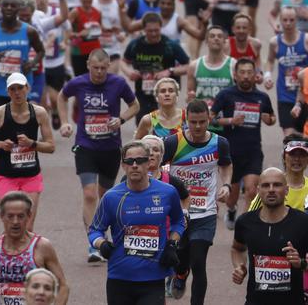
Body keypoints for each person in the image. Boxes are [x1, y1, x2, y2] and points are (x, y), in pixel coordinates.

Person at [57, 48, 139, 262]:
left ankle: (104, 233)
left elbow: (135, 105)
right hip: (85, 145)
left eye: (103, 68)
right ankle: (94, 242)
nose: (100, 72)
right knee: (89, 194)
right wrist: (65, 121)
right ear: (88, 65)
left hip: (110, 147)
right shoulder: (78, 83)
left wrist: (120, 119)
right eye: (96, 68)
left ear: (108, 66)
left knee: (104, 196)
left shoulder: (118, 83)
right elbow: (61, 97)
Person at [89, 140, 185, 305]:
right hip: (119, 276)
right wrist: (102, 244)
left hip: (153, 277)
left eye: (140, 160)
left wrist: (172, 244)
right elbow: (95, 230)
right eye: (129, 161)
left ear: (149, 163)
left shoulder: (167, 192)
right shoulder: (112, 197)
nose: (134, 165)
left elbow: (179, 221)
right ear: (123, 165)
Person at [163, 100, 233, 303]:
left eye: (202, 122)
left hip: (206, 213)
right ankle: (181, 273)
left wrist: (226, 185)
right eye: (193, 122)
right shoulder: (173, 142)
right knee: (181, 257)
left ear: (209, 119)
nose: (198, 127)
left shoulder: (219, 143)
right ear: (186, 120)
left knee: (199, 261)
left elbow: (226, 166)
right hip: (179, 213)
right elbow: (157, 170)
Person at [0, 73, 55, 231]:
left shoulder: (39, 113)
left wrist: (32, 143)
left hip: (31, 175)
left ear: (27, 88)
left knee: (27, 226)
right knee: (11, 225)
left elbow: (50, 146)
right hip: (5, 175)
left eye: (20, 88)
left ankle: (27, 256)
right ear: (8, 92)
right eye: (12, 89)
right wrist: (0, 144)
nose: (17, 92)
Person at [0, 192, 69, 305]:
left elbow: (63, 285)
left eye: (20, 216)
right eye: (10, 216)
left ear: (29, 216)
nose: (15, 222)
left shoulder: (42, 246)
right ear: (2, 216)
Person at [211, 58, 275, 229]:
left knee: (252, 191)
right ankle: (231, 210)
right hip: (231, 152)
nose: (246, 76)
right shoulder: (226, 95)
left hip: (253, 151)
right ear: (235, 75)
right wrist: (231, 120)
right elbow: (211, 117)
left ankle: (244, 228)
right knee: (231, 198)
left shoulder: (262, 97)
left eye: (249, 72)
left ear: (255, 75)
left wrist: (269, 119)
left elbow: (272, 118)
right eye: (242, 72)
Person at [231, 167, 308, 305]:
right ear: (258, 191)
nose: (271, 189)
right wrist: (239, 266)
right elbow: (237, 248)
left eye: (277, 185)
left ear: (286, 190)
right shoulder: (245, 222)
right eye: (266, 185)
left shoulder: (303, 222)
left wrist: (300, 263)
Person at [122, 12, 190, 122]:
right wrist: (129, 72)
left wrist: (170, 71)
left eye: (156, 30)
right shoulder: (135, 44)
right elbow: (123, 61)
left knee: (165, 125)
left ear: (161, 27)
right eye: (150, 31)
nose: (154, 34)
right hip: (143, 92)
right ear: (143, 29)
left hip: (166, 93)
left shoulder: (170, 45)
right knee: (143, 123)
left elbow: (188, 66)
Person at [0, 0, 44, 107]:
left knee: (23, 122)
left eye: (13, 6)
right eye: (5, 5)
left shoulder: (29, 31)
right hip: (0, 87)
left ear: (18, 9)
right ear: (0, 9)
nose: (9, 8)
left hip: (23, 86)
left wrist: (32, 63)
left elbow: (41, 51)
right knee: (0, 122)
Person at [264, 6, 308, 135]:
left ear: (296, 20)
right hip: (285, 95)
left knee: (304, 136)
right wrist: (267, 76)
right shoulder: (275, 42)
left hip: (304, 95)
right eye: (285, 20)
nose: (288, 23)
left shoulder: (305, 40)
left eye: (291, 20)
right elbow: (270, 61)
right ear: (280, 21)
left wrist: (302, 73)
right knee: (289, 137)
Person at [186, 26, 235, 131]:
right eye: (212, 36)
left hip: (227, 126)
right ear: (206, 41)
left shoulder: (233, 65)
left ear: (224, 41)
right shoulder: (194, 66)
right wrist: (190, 98)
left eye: (219, 36)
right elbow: (190, 98)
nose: (216, 38)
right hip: (203, 127)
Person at [248, 135, 308, 211]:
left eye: (302, 155)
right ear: (284, 157)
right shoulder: (271, 186)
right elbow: (251, 216)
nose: (297, 159)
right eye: (292, 154)